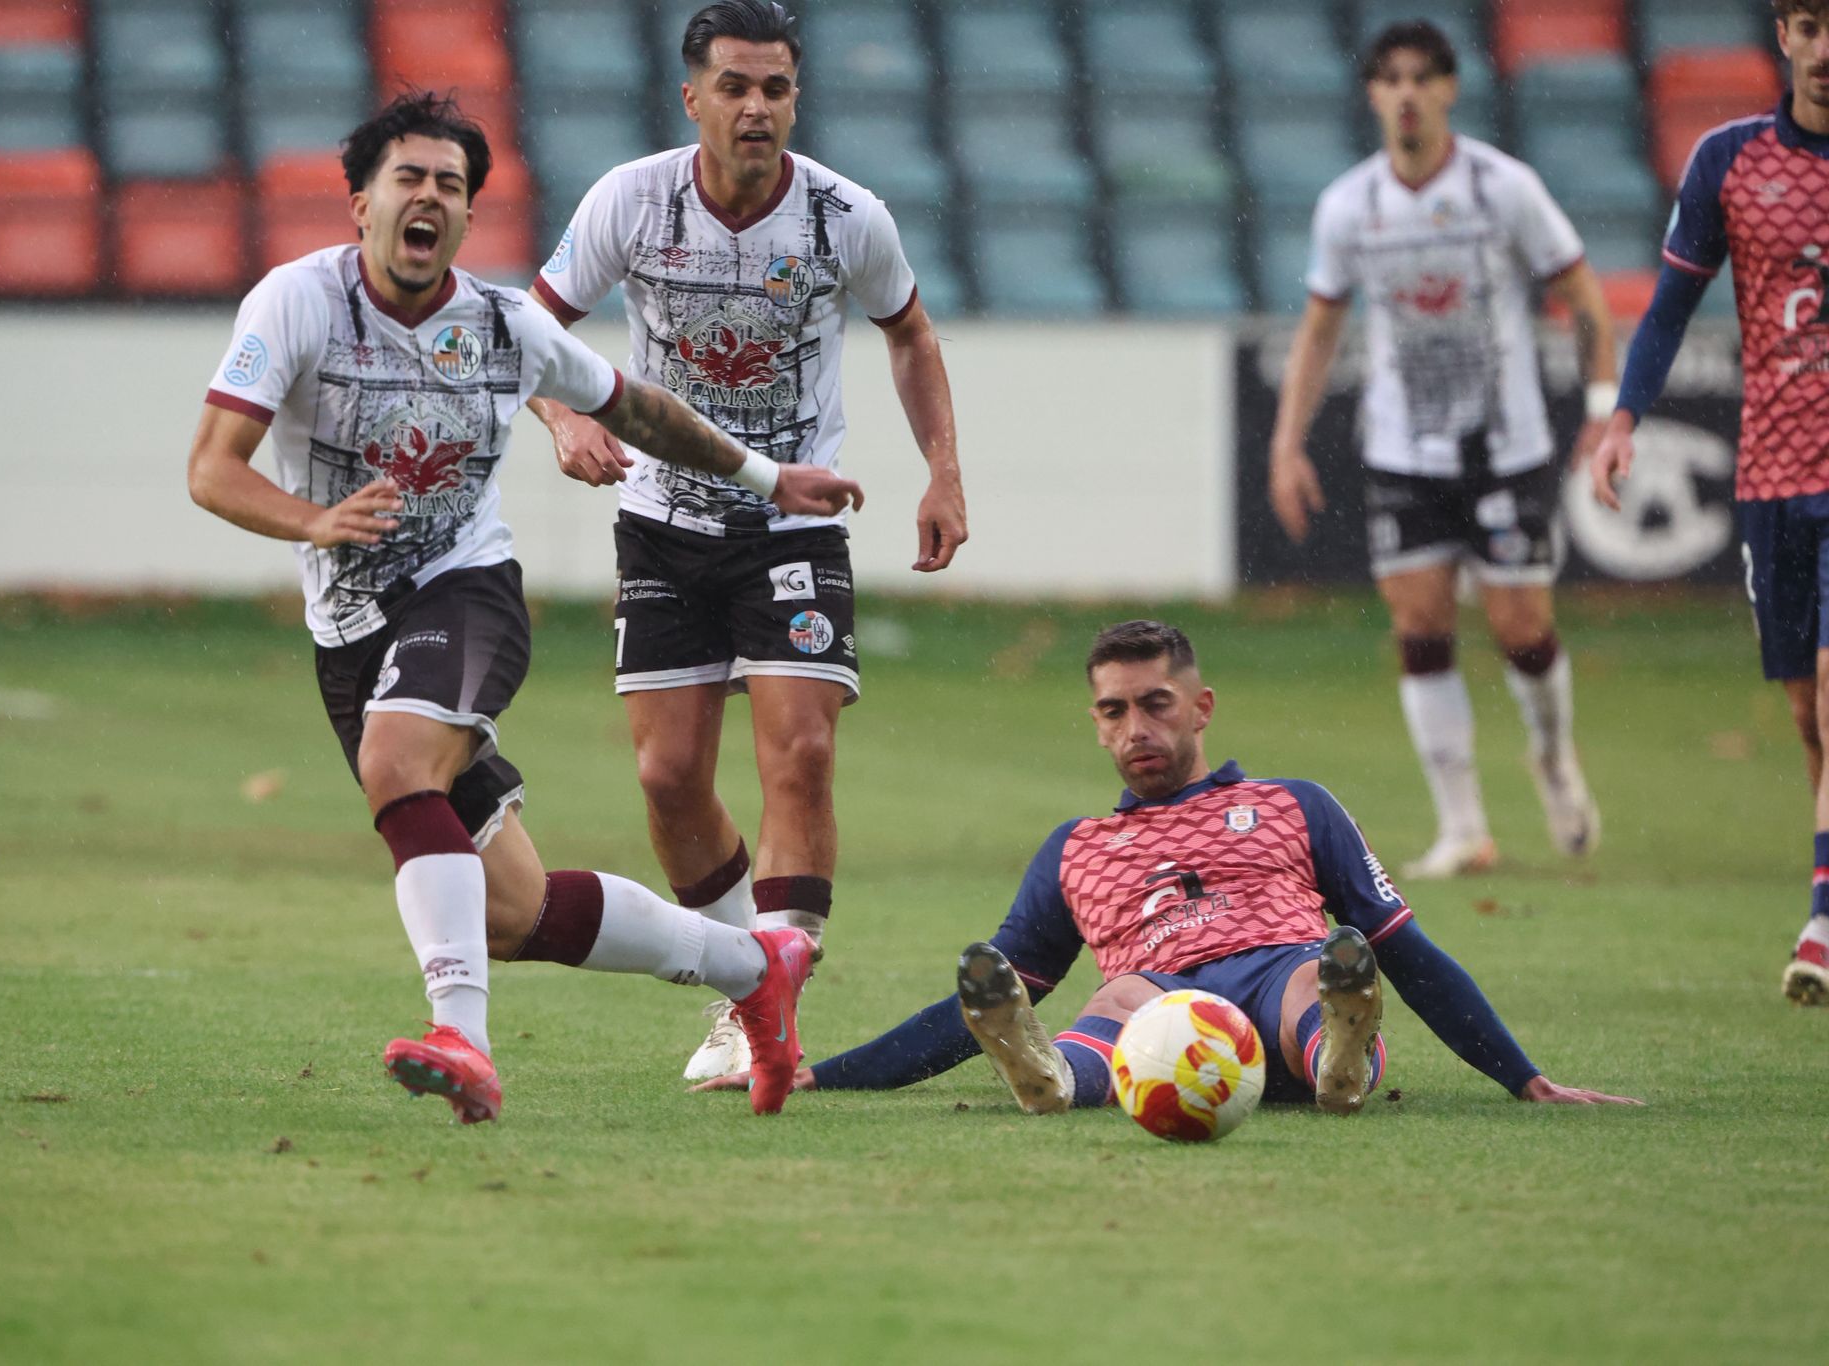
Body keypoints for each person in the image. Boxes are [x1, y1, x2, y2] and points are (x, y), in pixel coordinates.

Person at [187, 92, 865, 1121]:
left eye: (449, 186)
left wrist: (771, 479)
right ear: (359, 205)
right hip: (349, 631)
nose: (428, 199)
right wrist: (312, 522)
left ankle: (462, 1036)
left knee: (395, 764)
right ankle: (749, 968)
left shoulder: (504, 327)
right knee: (511, 907)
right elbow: (210, 470)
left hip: (465, 595)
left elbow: (640, 409)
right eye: (407, 179)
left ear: (466, 218)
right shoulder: (293, 305)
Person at [524, 0, 968, 1081]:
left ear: (794, 98)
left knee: (802, 754)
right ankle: (744, 983)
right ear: (692, 97)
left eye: (774, 87)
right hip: (662, 522)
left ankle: (773, 979)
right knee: (669, 777)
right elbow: (530, 327)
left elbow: (907, 330)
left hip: (791, 520)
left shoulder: (843, 215)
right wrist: (562, 417)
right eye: (733, 85)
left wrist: (942, 472)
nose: (755, 106)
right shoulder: (630, 201)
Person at [699, 621, 1640, 1116]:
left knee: (1329, 967)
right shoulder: (1077, 848)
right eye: (1114, 712)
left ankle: (1338, 1059)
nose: (1136, 729)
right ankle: (1052, 1077)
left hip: (1279, 978)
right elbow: (983, 998)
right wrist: (833, 1074)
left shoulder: (1296, 803)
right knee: (1101, 1005)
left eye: (1156, 705)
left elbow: (1408, 947)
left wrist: (1525, 1078)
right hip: (1159, 1010)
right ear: (1096, 720)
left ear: (1201, 708)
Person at [1267, 21, 1618, 880]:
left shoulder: (1504, 188)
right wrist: (1288, 441)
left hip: (1506, 444)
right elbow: (1320, 329)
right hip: (1401, 448)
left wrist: (1604, 409)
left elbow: (1584, 294)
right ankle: (1463, 825)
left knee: (1520, 630)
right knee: (1420, 626)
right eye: (1391, 79)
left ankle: (1550, 752)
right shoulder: (1350, 206)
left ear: (1450, 89)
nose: (1408, 93)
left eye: (1423, 77)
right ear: (1373, 96)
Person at [1590, 0, 1829, 1005]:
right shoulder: (1728, 161)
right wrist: (1622, 415)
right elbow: (1671, 302)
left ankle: (1820, 917)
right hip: (1770, 476)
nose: (1826, 47)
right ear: (1781, 34)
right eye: (1811, 24)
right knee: (1807, 712)